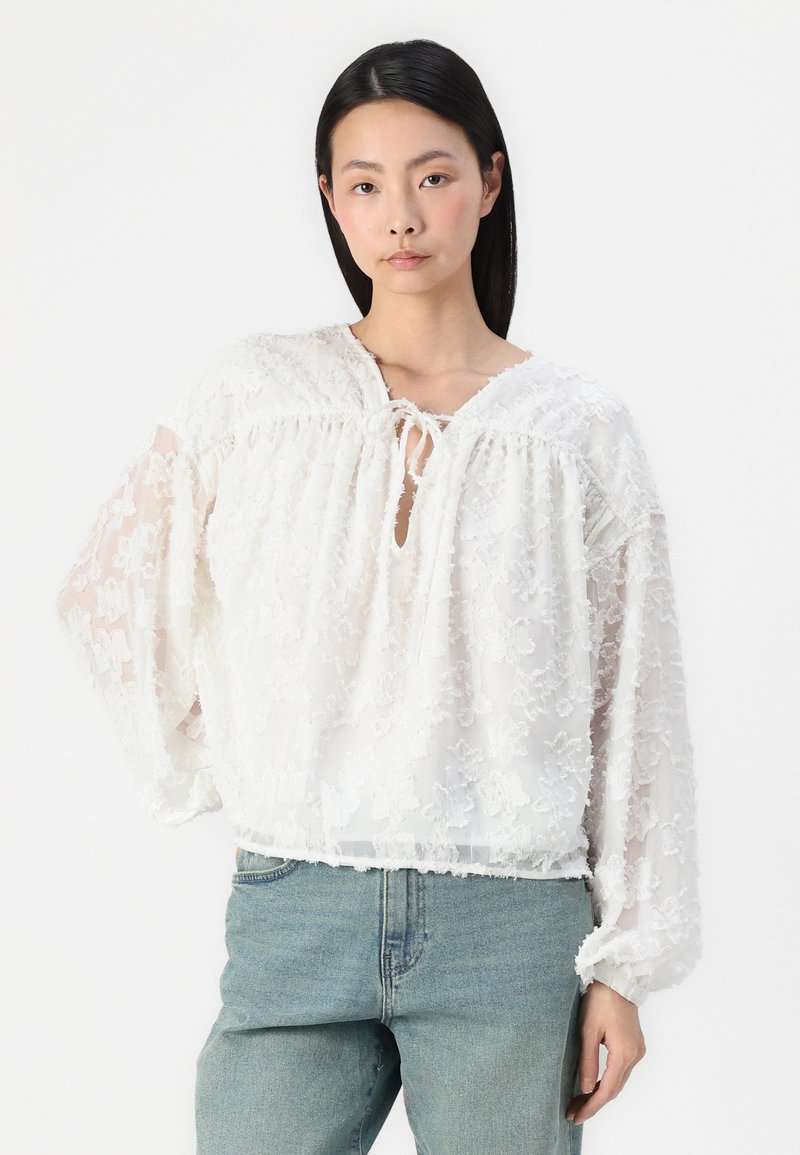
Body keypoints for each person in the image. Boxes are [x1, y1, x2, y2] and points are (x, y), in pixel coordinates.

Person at [55, 37, 702, 1155]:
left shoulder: (576, 434)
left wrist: (623, 967)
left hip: (512, 925)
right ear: (330, 201)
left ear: (489, 182)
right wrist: (233, 757)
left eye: (432, 176)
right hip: (295, 908)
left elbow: (635, 706)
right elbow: (106, 590)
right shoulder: (257, 396)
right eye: (364, 185)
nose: (399, 216)